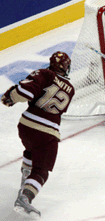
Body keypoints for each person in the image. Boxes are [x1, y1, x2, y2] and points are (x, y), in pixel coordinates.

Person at [1, 51, 75, 218]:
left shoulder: (44, 73)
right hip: (47, 133)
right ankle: (25, 198)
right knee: (41, 170)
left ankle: (26, 177)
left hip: (25, 126)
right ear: (66, 68)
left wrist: (10, 96)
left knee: (31, 150)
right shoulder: (70, 89)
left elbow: (24, 92)